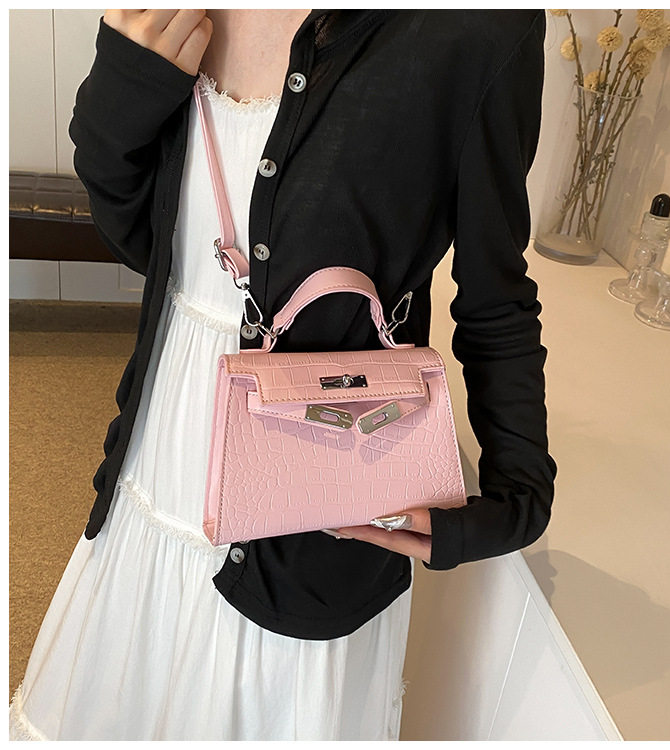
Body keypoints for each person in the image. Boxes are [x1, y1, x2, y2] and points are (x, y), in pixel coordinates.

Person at [9, 9, 557, 741]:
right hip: (162, 451)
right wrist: (124, 87)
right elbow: (151, 245)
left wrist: (520, 498)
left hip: (313, 508)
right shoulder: (175, 11)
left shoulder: (473, 29)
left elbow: (495, 299)